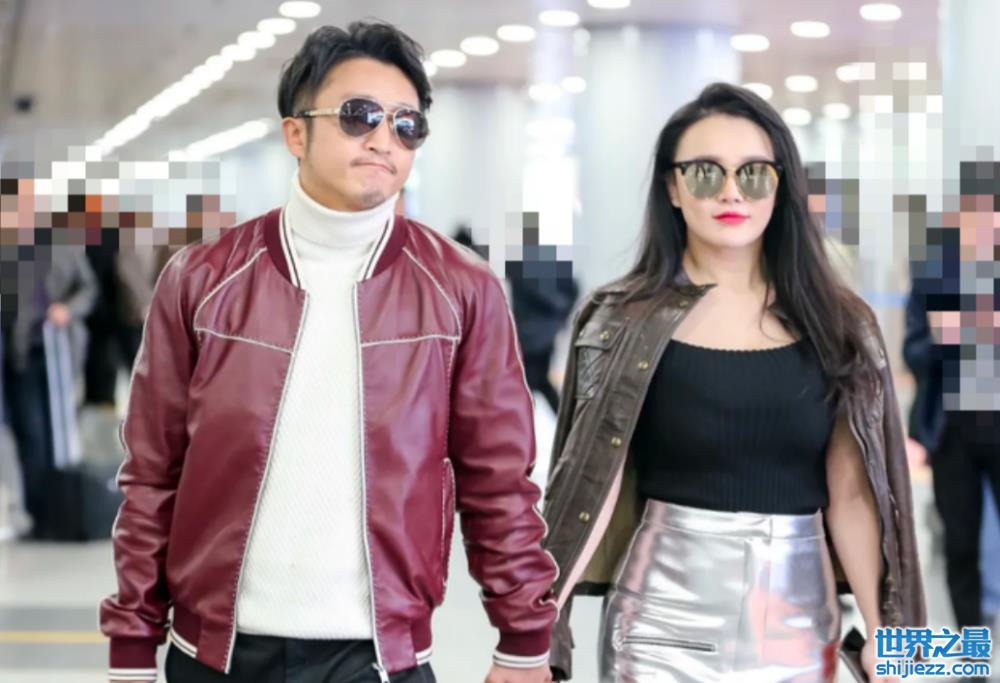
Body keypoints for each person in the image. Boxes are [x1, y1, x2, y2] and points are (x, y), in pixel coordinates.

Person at [101, 22, 556, 683]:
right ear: (296, 133)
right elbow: (152, 474)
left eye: (407, 124)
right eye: (358, 115)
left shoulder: (462, 290)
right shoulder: (202, 279)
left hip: (379, 660)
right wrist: (132, 647)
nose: (383, 138)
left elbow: (499, 480)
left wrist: (523, 637)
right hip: (215, 655)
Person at [541, 83, 925, 682]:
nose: (729, 192)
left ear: (781, 186)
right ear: (672, 188)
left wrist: (888, 637)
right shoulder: (619, 319)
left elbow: (853, 494)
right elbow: (594, 485)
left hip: (800, 624)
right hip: (659, 624)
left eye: (753, 174)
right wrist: (537, 636)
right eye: (704, 173)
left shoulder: (839, 323)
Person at [904, 163, 1000, 632]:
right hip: (951, 432)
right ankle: (973, 649)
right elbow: (913, 349)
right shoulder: (936, 271)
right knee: (959, 546)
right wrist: (952, 334)